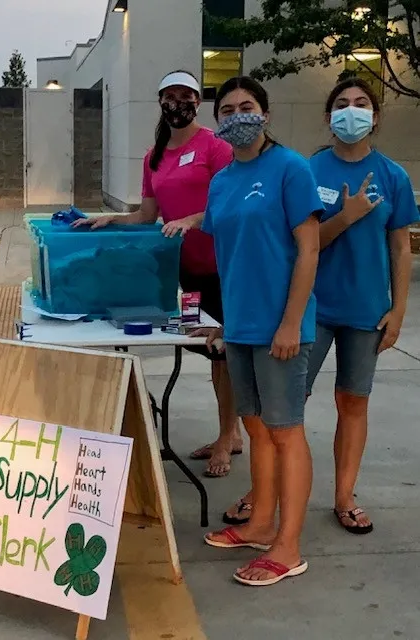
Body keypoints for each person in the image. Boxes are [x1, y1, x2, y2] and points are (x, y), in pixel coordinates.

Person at [220, 77, 420, 536]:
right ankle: (262, 493)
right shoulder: (306, 169)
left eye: (362, 104)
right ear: (328, 117)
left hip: (366, 311)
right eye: (342, 105)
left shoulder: (393, 176)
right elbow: (306, 246)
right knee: (283, 406)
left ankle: (345, 496)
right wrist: (345, 217)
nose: (352, 111)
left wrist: (398, 311)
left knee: (353, 401)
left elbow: (401, 248)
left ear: (376, 115)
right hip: (310, 310)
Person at [73, 69, 243, 478]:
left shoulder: (215, 148)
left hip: (225, 266)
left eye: (186, 95)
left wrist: (191, 219)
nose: (177, 102)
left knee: (227, 355)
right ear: (161, 101)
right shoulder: (155, 156)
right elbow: (148, 215)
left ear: (198, 101)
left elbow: (233, 204)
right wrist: (111, 220)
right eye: (170, 95)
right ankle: (231, 430)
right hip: (185, 272)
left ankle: (227, 438)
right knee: (208, 352)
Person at [192, 76, 322, 586]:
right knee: (256, 428)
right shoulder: (222, 180)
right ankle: (260, 524)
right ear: (218, 121)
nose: (237, 116)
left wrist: (291, 322)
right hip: (240, 326)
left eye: (247, 106)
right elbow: (229, 256)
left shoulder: (291, 169)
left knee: (286, 431)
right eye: (226, 110)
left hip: (280, 328)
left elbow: (308, 249)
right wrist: (223, 324)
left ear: (265, 114)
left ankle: (287, 547)